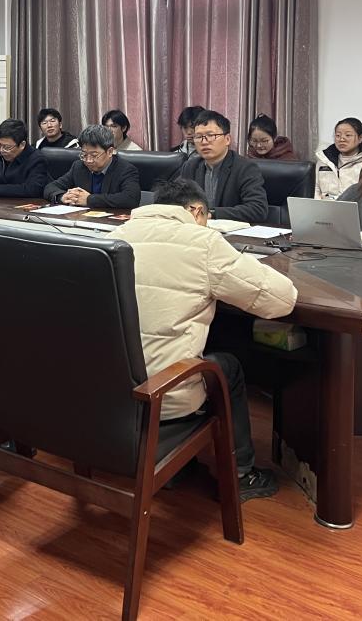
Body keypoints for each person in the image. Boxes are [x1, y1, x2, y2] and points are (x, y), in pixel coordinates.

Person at [109, 178, 297, 501]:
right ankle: (240, 475)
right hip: (162, 394)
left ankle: (176, 463)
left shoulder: (115, 237)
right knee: (227, 366)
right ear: (197, 211)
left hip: (112, 392)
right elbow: (281, 300)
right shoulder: (203, 242)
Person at [177, 111, 268, 223]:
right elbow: (174, 199)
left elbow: (258, 209)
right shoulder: (190, 166)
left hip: (230, 231)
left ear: (227, 139)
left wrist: (212, 213)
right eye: (198, 137)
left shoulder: (245, 168)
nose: (204, 142)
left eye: (211, 136)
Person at [43, 125, 142, 209]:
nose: (88, 160)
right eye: (84, 155)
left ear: (110, 152)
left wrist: (89, 200)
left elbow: (130, 199)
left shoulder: (125, 170)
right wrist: (62, 196)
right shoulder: (79, 167)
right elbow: (50, 187)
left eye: (94, 155)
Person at [0, 119, 51, 200]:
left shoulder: (37, 159)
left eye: (7, 147)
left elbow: (34, 189)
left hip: (26, 205)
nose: (2, 150)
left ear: (22, 145)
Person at [314, 117, 362, 200]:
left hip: (353, 206)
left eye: (348, 135)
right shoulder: (324, 160)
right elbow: (316, 188)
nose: (342, 139)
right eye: (338, 135)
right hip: (325, 206)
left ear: (360, 138)